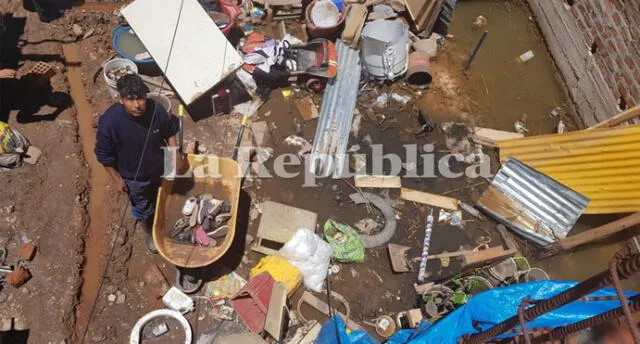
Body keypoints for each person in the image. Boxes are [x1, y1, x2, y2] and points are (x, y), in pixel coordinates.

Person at [95, 74, 183, 253]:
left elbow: (169, 131)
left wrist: (175, 154)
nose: (137, 105)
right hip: (134, 177)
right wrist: (116, 179)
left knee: (163, 194)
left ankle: (164, 214)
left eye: (140, 98)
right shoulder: (109, 123)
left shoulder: (156, 109)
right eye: (130, 99)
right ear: (120, 100)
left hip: (159, 167)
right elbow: (103, 155)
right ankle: (149, 232)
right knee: (143, 207)